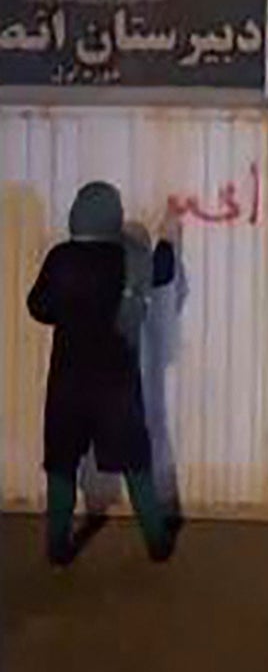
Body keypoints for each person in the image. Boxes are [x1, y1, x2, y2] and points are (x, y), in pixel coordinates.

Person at [27, 181, 177, 566]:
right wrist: (169, 235)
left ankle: (58, 548)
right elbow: (163, 272)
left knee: (61, 464)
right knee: (135, 462)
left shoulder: (61, 258)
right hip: (116, 384)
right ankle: (158, 543)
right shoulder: (131, 257)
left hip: (68, 383)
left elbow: (38, 308)